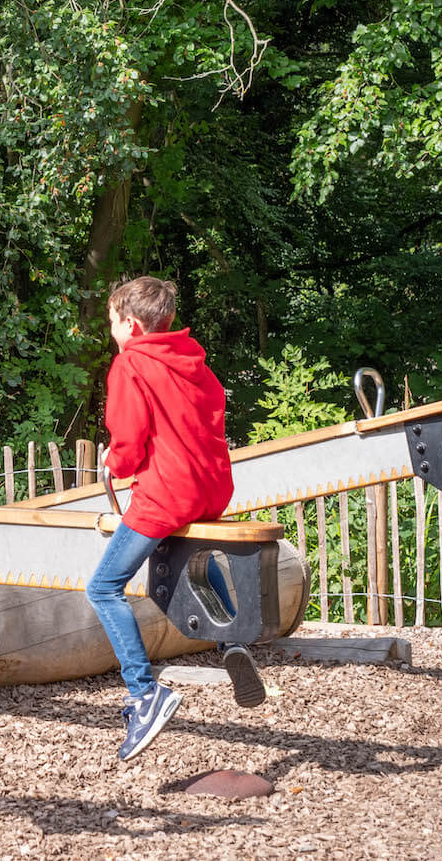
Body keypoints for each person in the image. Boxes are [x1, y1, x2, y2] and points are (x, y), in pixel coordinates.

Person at [85, 276, 263, 762]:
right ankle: (231, 638)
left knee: (103, 588)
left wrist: (116, 466)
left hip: (168, 492)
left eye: (113, 323)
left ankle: (145, 695)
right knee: (183, 560)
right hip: (211, 488)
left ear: (132, 324)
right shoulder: (193, 363)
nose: (112, 332)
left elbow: (128, 434)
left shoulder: (132, 364)